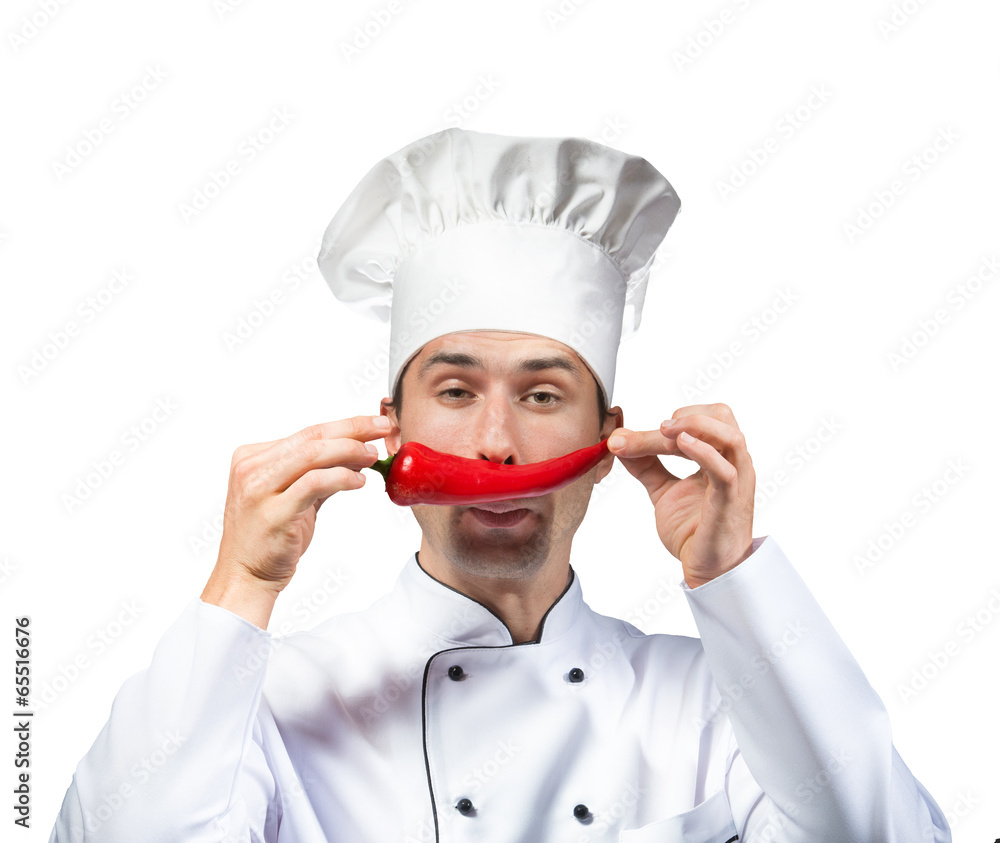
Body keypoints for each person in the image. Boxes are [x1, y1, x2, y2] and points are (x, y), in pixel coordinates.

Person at [50, 128, 950, 842]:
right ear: (389, 429)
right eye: (454, 389)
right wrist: (238, 588)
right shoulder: (272, 704)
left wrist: (731, 582)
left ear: (606, 441)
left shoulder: (718, 701)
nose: (497, 442)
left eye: (542, 393)